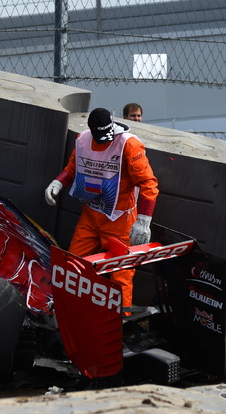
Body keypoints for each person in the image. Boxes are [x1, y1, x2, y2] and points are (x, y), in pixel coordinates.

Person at [45, 108, 158, 313]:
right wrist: (57, 183)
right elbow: (73, 168)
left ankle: (122, 326)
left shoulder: (129, 145)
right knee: (73, 267)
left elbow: (149, 184)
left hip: (120, 219)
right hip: (91, 215)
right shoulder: (82, 140)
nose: (104, 141)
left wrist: (143, 220)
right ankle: (68, 314)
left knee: (121, 276)